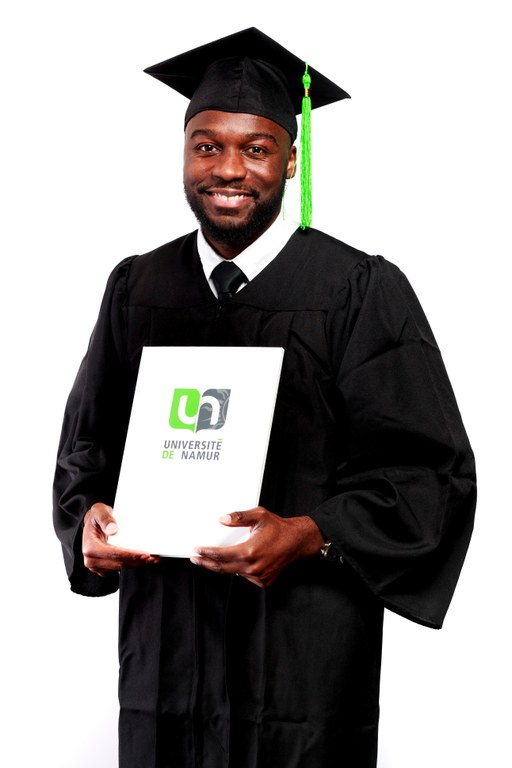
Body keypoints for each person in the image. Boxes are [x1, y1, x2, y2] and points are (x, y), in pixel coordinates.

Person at [53, 27, 476, 768]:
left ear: (291, 159)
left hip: (303, 662)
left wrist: (311, 533)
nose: (229, 168)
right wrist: (87, 522)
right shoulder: (138, 287)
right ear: (184, 153)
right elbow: (85, 448)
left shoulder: (354, 290)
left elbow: (428, 475)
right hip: (167, 652)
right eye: (207, 146)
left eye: (256, 148)